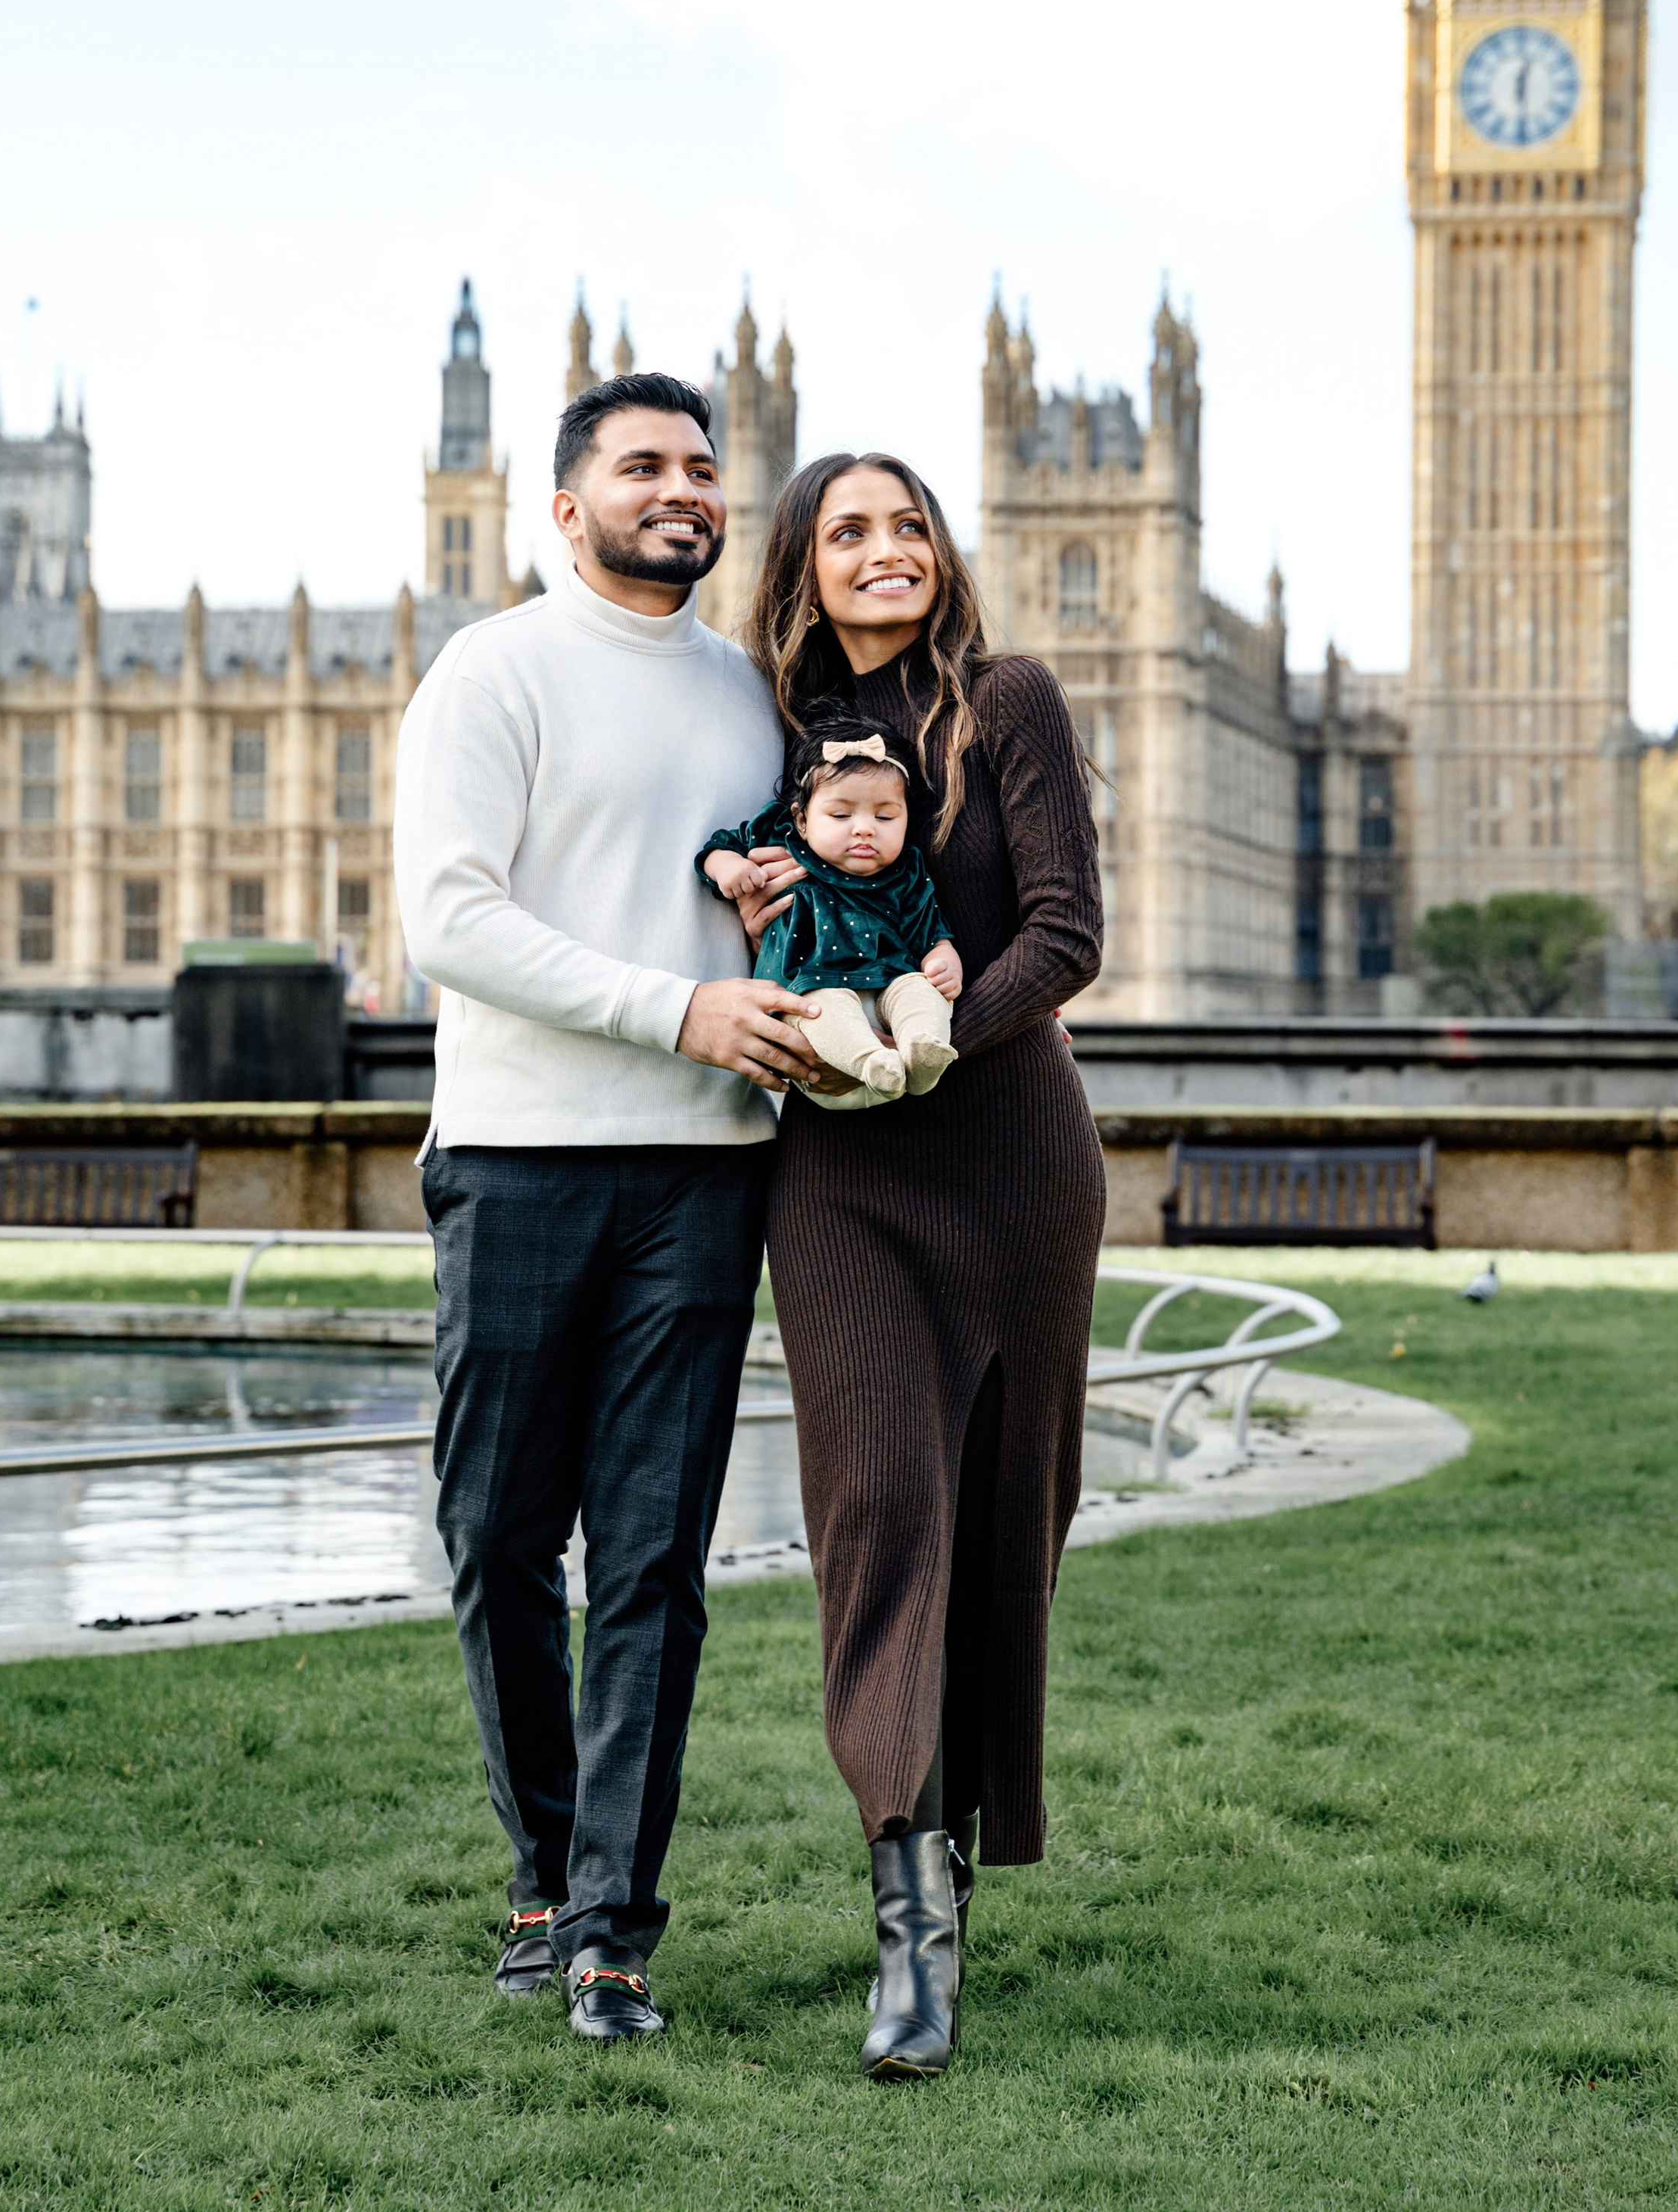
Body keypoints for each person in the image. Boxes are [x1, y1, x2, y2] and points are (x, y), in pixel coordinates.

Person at [394, 371, 828, 2047]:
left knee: (649, 1560)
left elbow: (801, 891)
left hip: (707, 1171)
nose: (682, 489)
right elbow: (450, 917)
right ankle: (538, 1867)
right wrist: (678, 1004)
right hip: (517, 1156)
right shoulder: (490, 669)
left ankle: (607, 1929)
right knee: (500, 1539)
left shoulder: (750, 697)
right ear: (564, 506)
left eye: (704, 467)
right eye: (642, 465)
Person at [731, 450, 1105, 2082]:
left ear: (944, 553)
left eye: (907, 524)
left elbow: (1066, 930)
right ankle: (910, 1922)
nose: (883, 550)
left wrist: (938, 1032)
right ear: (801, 567)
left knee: (1003, 1528)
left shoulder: (1004, 703)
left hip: (1009, 1159)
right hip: (840, 1180)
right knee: (879, 1515)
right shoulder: (757, 728)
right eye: (845, 530)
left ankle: (953, 1848)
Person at [696, 718, 963, 1106]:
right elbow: (718, 846)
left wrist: (944, 957)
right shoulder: (781, 841)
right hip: (812, 991)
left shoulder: (906, 871)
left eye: (885, 817)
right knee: (822, 1006)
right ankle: (871, 1061)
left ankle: (923, 1052)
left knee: (921, 991)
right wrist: (725, 866)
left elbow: (931, 930)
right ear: (802, 820)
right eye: (841, 816)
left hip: (888, 987)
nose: (864, 829)